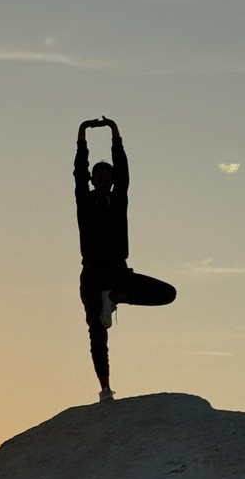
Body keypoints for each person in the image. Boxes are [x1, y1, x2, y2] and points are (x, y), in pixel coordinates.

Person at [75, 116, 176, 403]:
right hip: (93, 274)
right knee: (96, 330)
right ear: (94, 181)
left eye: (109, 178)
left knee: (167, 293)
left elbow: (124, 169)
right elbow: (78, 171)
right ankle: (105, 389)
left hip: (118, 272)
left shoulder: (119, 200)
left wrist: (114, 132)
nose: (105, 181)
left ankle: (116, 297)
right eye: (100, 178)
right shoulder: (85, 201)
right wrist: (82, 134)